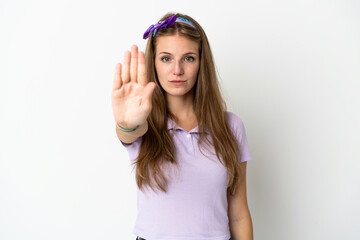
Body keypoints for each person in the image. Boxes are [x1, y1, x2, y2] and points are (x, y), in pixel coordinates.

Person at [111, 12, 253, 240]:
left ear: (201, 62)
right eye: (166, 58)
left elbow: (238, 215)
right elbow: (128, 133)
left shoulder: (231, 126)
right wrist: (127, 124)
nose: (177, 70)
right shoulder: (143, 123)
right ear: (154, 62)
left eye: (188, 58)